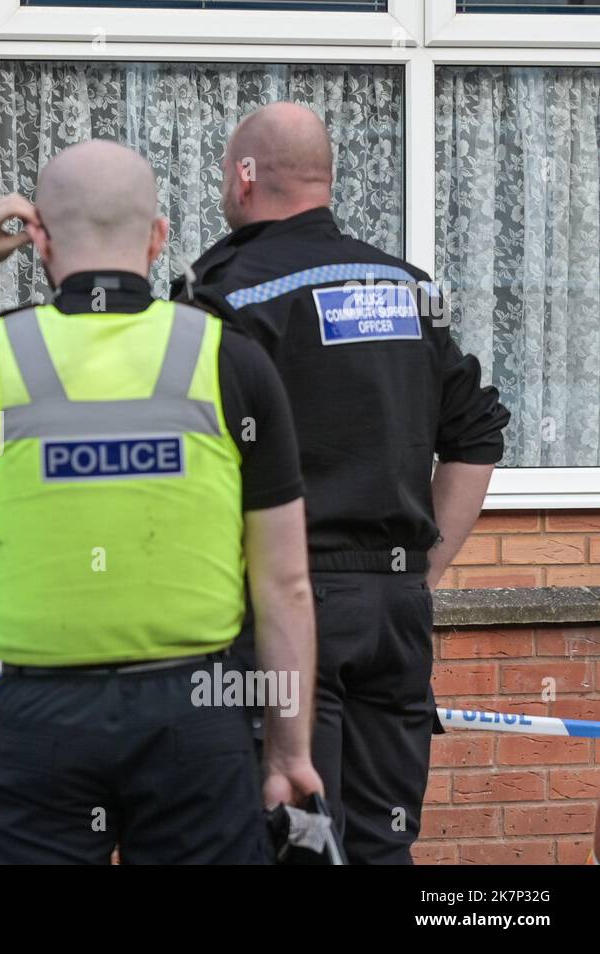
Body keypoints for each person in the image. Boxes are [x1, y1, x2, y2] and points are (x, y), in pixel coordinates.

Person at [0, 141, 321, 864]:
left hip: (44, 718)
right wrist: (288, 752)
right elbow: (285, 583)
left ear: (38, 241)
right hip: (197, 710)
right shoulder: (228, 359)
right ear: (158, 238)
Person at [170, 103, 510, 864]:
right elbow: (478, 434)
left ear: (246, 176)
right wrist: (420, 572)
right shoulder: (407, 290)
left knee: (296, 844)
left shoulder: (222, 294)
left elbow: (182, 462)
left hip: (282, 617)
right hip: (395, 616)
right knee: (384, 847)